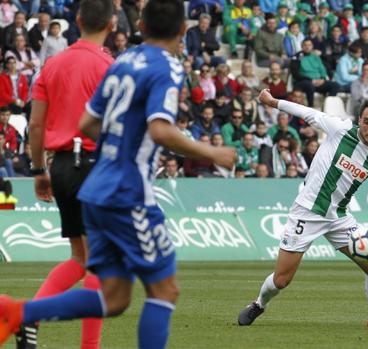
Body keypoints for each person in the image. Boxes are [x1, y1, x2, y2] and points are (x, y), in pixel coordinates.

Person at [0, 1, 236, 348]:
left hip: (93, 186)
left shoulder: (123, 63)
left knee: (114, 298)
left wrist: (119, 144)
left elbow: (87, 123)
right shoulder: (165, 67)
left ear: (141, 24)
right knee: (164, 289)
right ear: (184, 31)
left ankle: (21, 313)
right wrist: (213, 152)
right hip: (127, 191)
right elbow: (159, 130)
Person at [238, 89, 368, 328]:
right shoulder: (340, 129)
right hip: (308, 211)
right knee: (282, 280)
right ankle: (258, 304)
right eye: (366, 122)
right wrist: (273, 102)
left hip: (339, 218)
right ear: (359, 121)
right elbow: (306, 112)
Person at [15, 1, 116, 347]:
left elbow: (37, 123)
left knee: (80, 257)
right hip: (94, 164)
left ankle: (27, 317)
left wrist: (39, 169)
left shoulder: (53, 64)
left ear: (76, 20)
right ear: (112, 24)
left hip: (59, 166)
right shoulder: (108, 66)